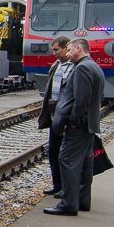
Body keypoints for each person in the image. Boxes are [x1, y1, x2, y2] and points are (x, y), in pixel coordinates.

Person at [45, 38, 105, 216]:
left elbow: (81, 99)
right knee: (86, 162)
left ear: (79, 48)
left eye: (70, 50)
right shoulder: (94, 66)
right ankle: (82, 200)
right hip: (89, 124)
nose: (68, 53)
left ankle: (68, 204)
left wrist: (73, 121)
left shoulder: (82, 68)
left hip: (78, 126)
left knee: (67, 160)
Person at [38, 36, 73, 198]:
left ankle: (67, 187)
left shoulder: (75, 67)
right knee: (53, 152)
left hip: (66, 117)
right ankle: (57, 184)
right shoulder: (56, 66)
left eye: (56, 50)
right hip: (54, 117)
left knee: (66, 155)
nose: (54, 54)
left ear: (67, 48)